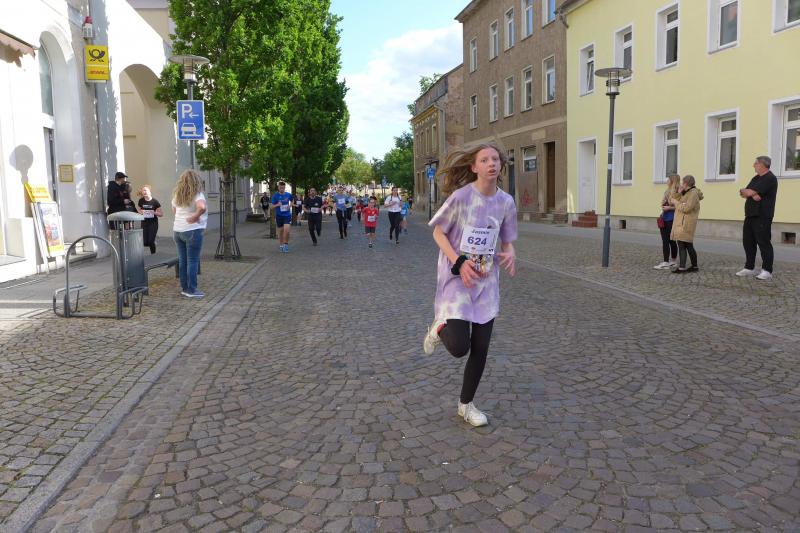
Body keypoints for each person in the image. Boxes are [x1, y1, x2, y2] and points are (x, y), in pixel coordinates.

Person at [422, 143, 517, 427]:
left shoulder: (506, 202)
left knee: (481, 347)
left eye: (495, 159)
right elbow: (438, 233)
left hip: (485, 281)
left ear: (500, 166)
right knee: (460, 347)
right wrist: (459, 261)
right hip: (456, 278)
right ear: (474, 167)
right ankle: (440, 327)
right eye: (484, 159)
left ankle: (466, 405)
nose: (492, 163)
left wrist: (510, 252)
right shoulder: (462, 197)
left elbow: (507, 240)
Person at [737, 156, 779, 280]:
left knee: (763, 242)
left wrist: (750, 192)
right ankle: (749, 267)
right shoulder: (755, 178)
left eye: (755, 163)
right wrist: (751, 193)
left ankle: (767, 270)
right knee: (748, 242)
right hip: (750, 215)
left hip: (762, 215)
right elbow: (743, 192)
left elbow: (748, 192)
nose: (753, 165)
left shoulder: (770, 178)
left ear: (762, 164)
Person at [172, 169, 208, 298]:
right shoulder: (197, 194)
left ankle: (185, 288)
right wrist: (195, 216)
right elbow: (202, 207)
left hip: (178, 230)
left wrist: (185, 218)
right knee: (192, 260)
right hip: (192, 230)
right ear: (196, 180)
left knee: (183, 260)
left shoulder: (177, 195)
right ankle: (191, 290)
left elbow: (174, 211)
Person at [668, 175, 703, 274]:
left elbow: (686, 208)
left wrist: (676, 203)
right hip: (682, 222)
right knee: (687, 244)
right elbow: (672, 200)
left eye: (683, 183)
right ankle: (694, 266)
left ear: (686, 183)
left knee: (682, 244)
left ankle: (682, 268)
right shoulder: (686, 192)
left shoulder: (693, 193)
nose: (681, 184)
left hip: (686, 223)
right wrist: (679, 193)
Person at [653, 174, 680, 269]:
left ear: (672, 181)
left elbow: (680, 206)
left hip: (671, 219)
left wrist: (669, 208)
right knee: (669, 241)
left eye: (668, 179)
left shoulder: (677, 192)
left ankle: (667, 262)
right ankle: (671, 261)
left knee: (669, 240)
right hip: (665, 217)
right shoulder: (667, 191)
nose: (667, 181)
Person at [137, 185, 163, 254]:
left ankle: (153, 254)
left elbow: (161, 214)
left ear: (150, 191)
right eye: (143, 191)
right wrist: (141, 212)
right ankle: (152, 242)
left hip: (153, 223)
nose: (144, 192)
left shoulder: (155, 202)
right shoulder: (141, 201)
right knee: (145, 242)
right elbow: (139, 210)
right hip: (144, 223)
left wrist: (154, 212)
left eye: (146, 190)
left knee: (150, 241)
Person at [270, 181, 293, 252]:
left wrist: (290, 206)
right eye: (280, 188)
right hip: (279, 216)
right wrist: (277, 205)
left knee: (287, 230)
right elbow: (271, 207)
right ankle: (281, 245)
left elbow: (292, 201)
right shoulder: (275, 196)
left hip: (287, 215)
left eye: (283, 188)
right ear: (278, 188)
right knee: (280, 232)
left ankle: (286, 245)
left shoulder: (288, 195)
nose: (282, 189)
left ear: (284, 187)